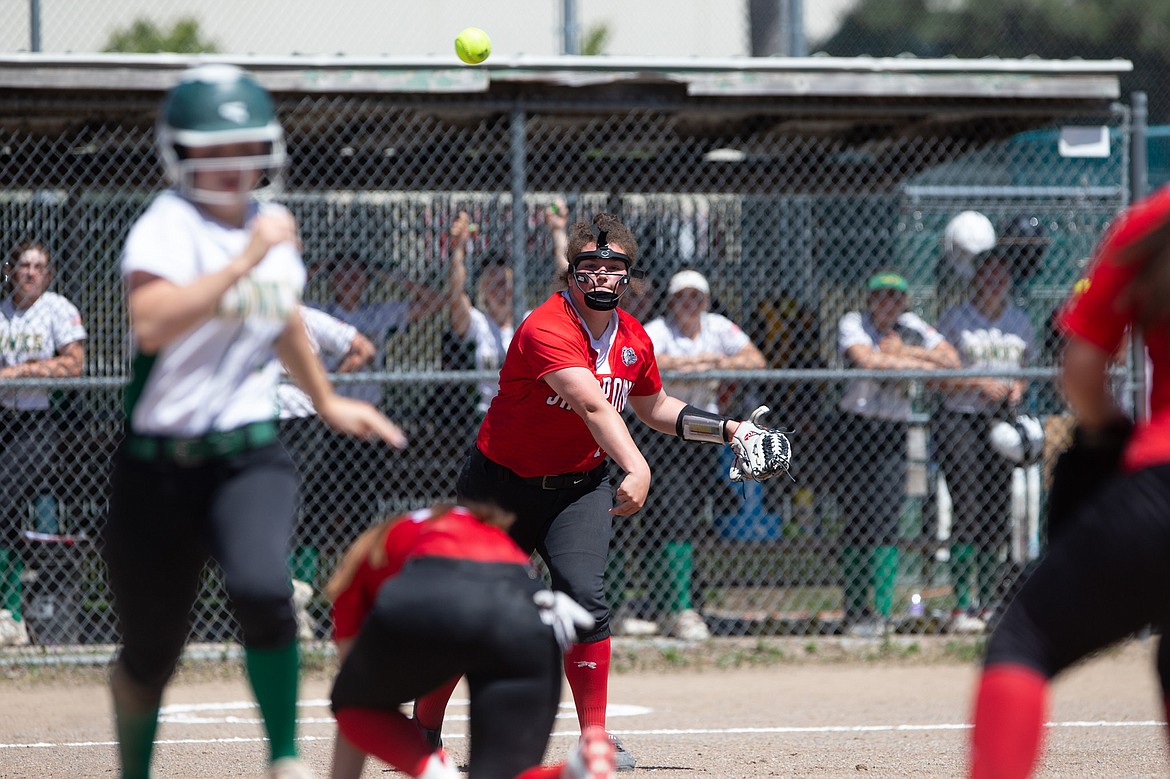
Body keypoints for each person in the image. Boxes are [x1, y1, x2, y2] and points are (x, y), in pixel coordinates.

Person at [101, 64, 406, 779]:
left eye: (244, 146)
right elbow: (151, 322)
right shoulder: (167, 228)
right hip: (159, 464)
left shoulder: (272, 228)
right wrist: (246, 257)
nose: (232, 163)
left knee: (265, 589)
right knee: (151, 655)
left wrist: (327, 400)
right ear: (181, 153)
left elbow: (282, 323)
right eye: (213, 149)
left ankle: (285, 758)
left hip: (248, 452)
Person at [455, 212, 792, 771]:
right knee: (473, 612)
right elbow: (590, 403)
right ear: (570, 275)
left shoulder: (633, 337)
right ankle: (424, 729)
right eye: (590, 266)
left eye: (614, 268)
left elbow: (655, 407)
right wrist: (638, 466)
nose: (602, 278)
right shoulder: (546, 327)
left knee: (586, 601)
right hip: (501, 486)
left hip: (579, 487)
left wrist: (732, 430)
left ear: (629, 277)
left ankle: (594, 738)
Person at [966, 186, 1170, 778]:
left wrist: (1109, 436)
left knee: (1023, 641)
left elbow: (1081, 372)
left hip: (1160, 478)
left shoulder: (1152, 221)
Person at [327, 502, 616, 779]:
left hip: (439, 590)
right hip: (529, 610)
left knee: (353, 701)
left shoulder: (369, 549)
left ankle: (431, 767)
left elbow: (355, 677)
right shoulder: (485, 531)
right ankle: (572, 771)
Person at [640, 269, 766, 640]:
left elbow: (755, 360)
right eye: (682, 297)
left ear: (706, 301)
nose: (689, 304)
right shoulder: (658, 329)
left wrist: (713, 362)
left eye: (696, 297)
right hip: (660, 433)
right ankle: (678, 609)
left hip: (703, 433)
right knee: (669, 517)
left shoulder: (716, 328)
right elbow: (643, 363)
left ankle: (680, 604)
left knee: (690, 516)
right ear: (671, 301)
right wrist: (689, 366)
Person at [836, 271, 959, 637]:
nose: (887, 304)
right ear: (870, 300)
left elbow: (951, 360)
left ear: (903, 302)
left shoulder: (911, 327)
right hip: (855, 427)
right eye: (880, 297)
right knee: (856, 517)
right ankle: (856, 610)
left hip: (892, 429)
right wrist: (918, 363)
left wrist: (904, 352)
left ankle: (884, 613)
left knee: (886, 518)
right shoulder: (853, 321)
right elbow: (866, 360)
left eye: (894, 297)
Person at [935, 251, 1036, 634]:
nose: (994, 282)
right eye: (987, 275)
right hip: (960, 417)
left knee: (997, 508)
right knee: (967, 505)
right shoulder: (956, 319)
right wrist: (979, 382)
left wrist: (1016, 389)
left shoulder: (1019, 322)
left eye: (1001, 275)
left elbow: (1026, 369)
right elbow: (938, 377)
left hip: (1001, 422)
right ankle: (964, 605)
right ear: (975, 279)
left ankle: (991, 601)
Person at [0, 240, 87, 647]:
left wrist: (21, 372)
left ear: (48, 275)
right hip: (4, 418)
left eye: (39, 267)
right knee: (8, 512)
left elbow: (74, 362)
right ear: (11, 271)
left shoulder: (56, 308)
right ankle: (10, 613)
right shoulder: (3, 313)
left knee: (6, 499)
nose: (30, 272)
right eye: (23, 266)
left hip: (36, 422)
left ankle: (11, 610)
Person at [276, 304, 376, 639]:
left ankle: (291, 599)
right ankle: (284, 595)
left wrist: (321, 384)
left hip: (300, 426)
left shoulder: (305, 317)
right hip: (252, 422)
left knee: (290, 510)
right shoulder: (240, 313)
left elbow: (362, 346)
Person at [446, 202, 570, 419]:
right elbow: (456, 295)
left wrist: (558, 232)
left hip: (528, 415)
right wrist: (458, 248)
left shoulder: (530, 320)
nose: (500, 290)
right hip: (487, 416)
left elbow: (566, 284)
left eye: (504, 282)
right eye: (492, 284)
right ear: (483, 292)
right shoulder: (478, 323)